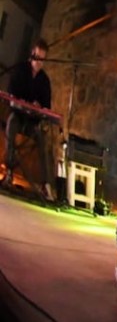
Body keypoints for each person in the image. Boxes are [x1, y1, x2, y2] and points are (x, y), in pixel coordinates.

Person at [2, 38, 55, 201]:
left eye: (43, 59)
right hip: (18, 115)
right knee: (11, 124)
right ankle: (9, 172)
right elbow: (11, 93)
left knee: (42, 138)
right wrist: (22, 102)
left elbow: (46, 107)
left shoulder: (45, 81)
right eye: (37, 58)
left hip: (32, 122)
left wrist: (39, 106)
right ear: (32, 55)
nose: (39, 63)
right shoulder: (20, 71)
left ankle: (46, 185)